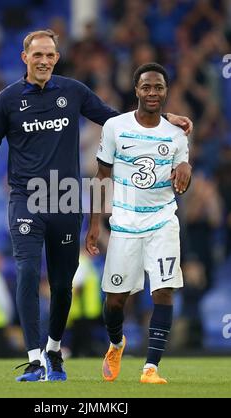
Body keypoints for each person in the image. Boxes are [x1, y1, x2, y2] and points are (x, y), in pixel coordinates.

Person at [0, 30, 192, 382]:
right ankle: (35, 358)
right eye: (37, 54)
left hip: (66, 196)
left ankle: (54, 350)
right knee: (26, 270)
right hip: (27, 197)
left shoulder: (72, 91)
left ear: (56, 57)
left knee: (63, 283)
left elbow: (116, 121)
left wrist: (164, 120)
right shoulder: (7, 100)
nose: (44, 60)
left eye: (50, 55)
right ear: (25, 58)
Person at [86, 63, 192, 384]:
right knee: (115, 300)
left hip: (162, 222)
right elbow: (102, 177)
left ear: (165, 91)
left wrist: (186, 166)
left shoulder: (176, 134)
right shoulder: (116, 127)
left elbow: (182, 164)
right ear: (136, 91)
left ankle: (151, 368)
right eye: (146, 87)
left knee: (163, 290)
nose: (152, 92)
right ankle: (117, 343)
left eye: (158, 87)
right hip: (124, 224)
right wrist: (94, 225)